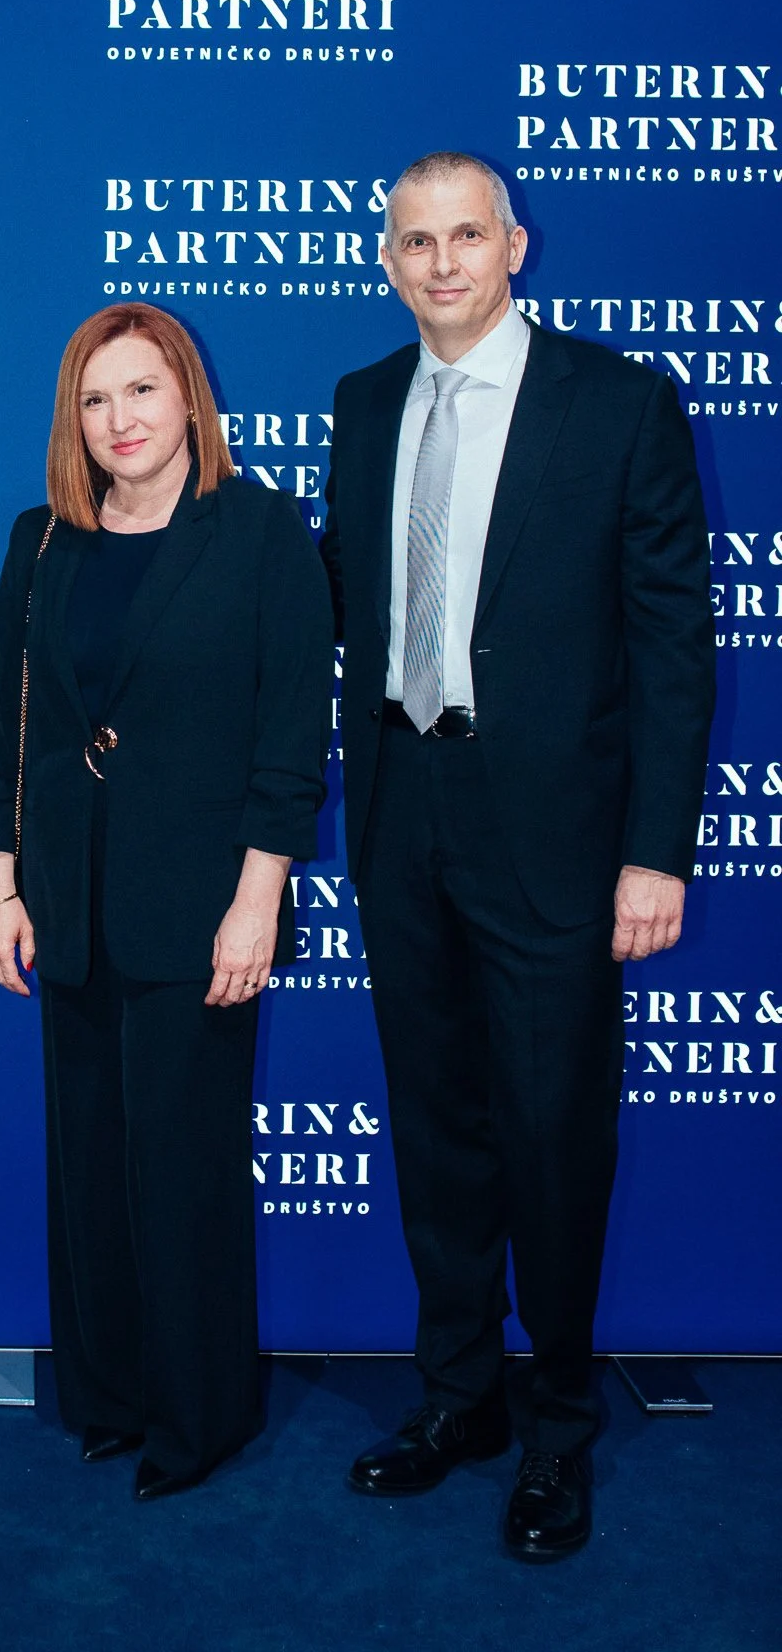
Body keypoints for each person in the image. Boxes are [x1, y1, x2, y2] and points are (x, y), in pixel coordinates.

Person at [322, 152, 715, 1560]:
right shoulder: (364, 407)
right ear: (388, 257)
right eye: (414, 239)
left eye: (466, 237)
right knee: (434, 1131)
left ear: (515, 246)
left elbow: (674, 648)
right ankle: (457, 1400)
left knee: (552, 1140)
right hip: (399, 815)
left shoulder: (617, 405)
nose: (441, 263)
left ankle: (558, 1429)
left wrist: (653, 854)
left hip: (554, 837)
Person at [0, 303, 333, 1500]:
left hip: (198, 904)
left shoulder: (262, 529)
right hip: (66, 901)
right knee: (91, 1165)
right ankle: (111, 1398)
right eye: (94, 398)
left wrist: (256, 897)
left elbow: (289, 736)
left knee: (184, 1169)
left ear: (188, 398)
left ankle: (199, 1415)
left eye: (141, 390)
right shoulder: (43, 540)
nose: (119, 419)